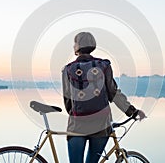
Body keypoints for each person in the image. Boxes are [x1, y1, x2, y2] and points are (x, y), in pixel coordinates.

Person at [62, 32, 146, 163]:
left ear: (78, 46)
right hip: (101, 124)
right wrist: (132, 111)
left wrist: (77, 113)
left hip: (77, 125)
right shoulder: (104, 66)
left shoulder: (68, 69)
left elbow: (67, 101)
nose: (73, 45)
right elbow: (113, 93)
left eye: (75, 42)